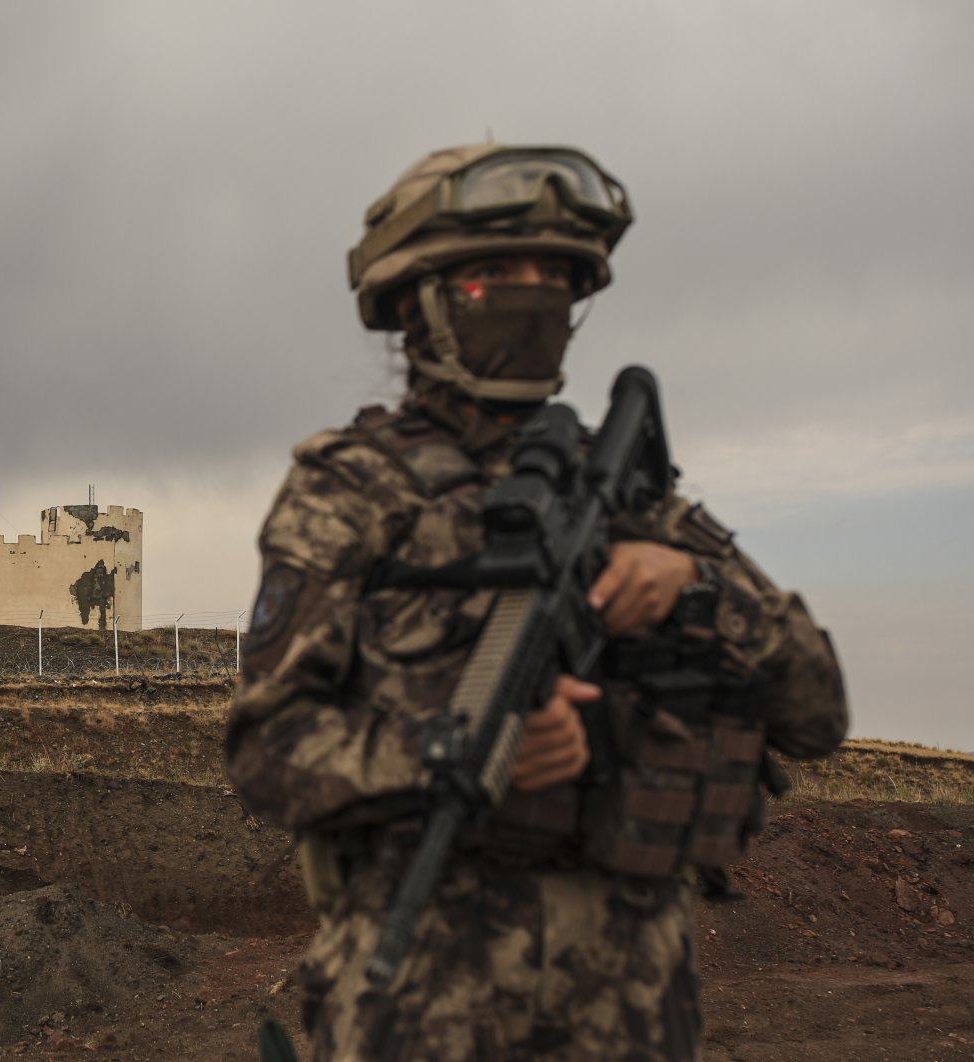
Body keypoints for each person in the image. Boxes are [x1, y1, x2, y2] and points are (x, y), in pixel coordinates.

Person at [225, 143, 848, 1061]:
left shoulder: (641, 502)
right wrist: (452, 751)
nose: (533, 293)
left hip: (634, 1008)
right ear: (416, 299)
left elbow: (818, 711)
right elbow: (264, 750)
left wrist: (695, 590)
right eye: (495, 273)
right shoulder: (352, 493)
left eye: (554, 275)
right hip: (422, 1001)